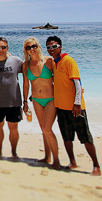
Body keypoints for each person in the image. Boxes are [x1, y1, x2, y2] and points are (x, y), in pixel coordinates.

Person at [46, 36, 101, 176]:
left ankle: (96, 166)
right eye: (49, 47)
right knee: (67, 138)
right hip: (61, 107)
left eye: (54, 46)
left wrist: (77, 103)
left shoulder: (69, 61)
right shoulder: (54, 63)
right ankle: (72, 162)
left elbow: (77, 83)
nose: (51, 49)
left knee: (85, 138)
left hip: (75, 108)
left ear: (60, 47)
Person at [22, 37, 60, 169]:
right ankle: (47, 157)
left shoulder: (48, 61)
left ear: (38, 46)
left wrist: (75, 88)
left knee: (46, 129)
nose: (31, 49)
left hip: (51, 99)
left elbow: (60, 77)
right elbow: (26, 85)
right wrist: (25, 102)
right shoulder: (25, 65)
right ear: (25, 50)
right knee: (43, 130)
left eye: (33, 46)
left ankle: (56, 160)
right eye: (28, 47)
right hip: (36, 100)